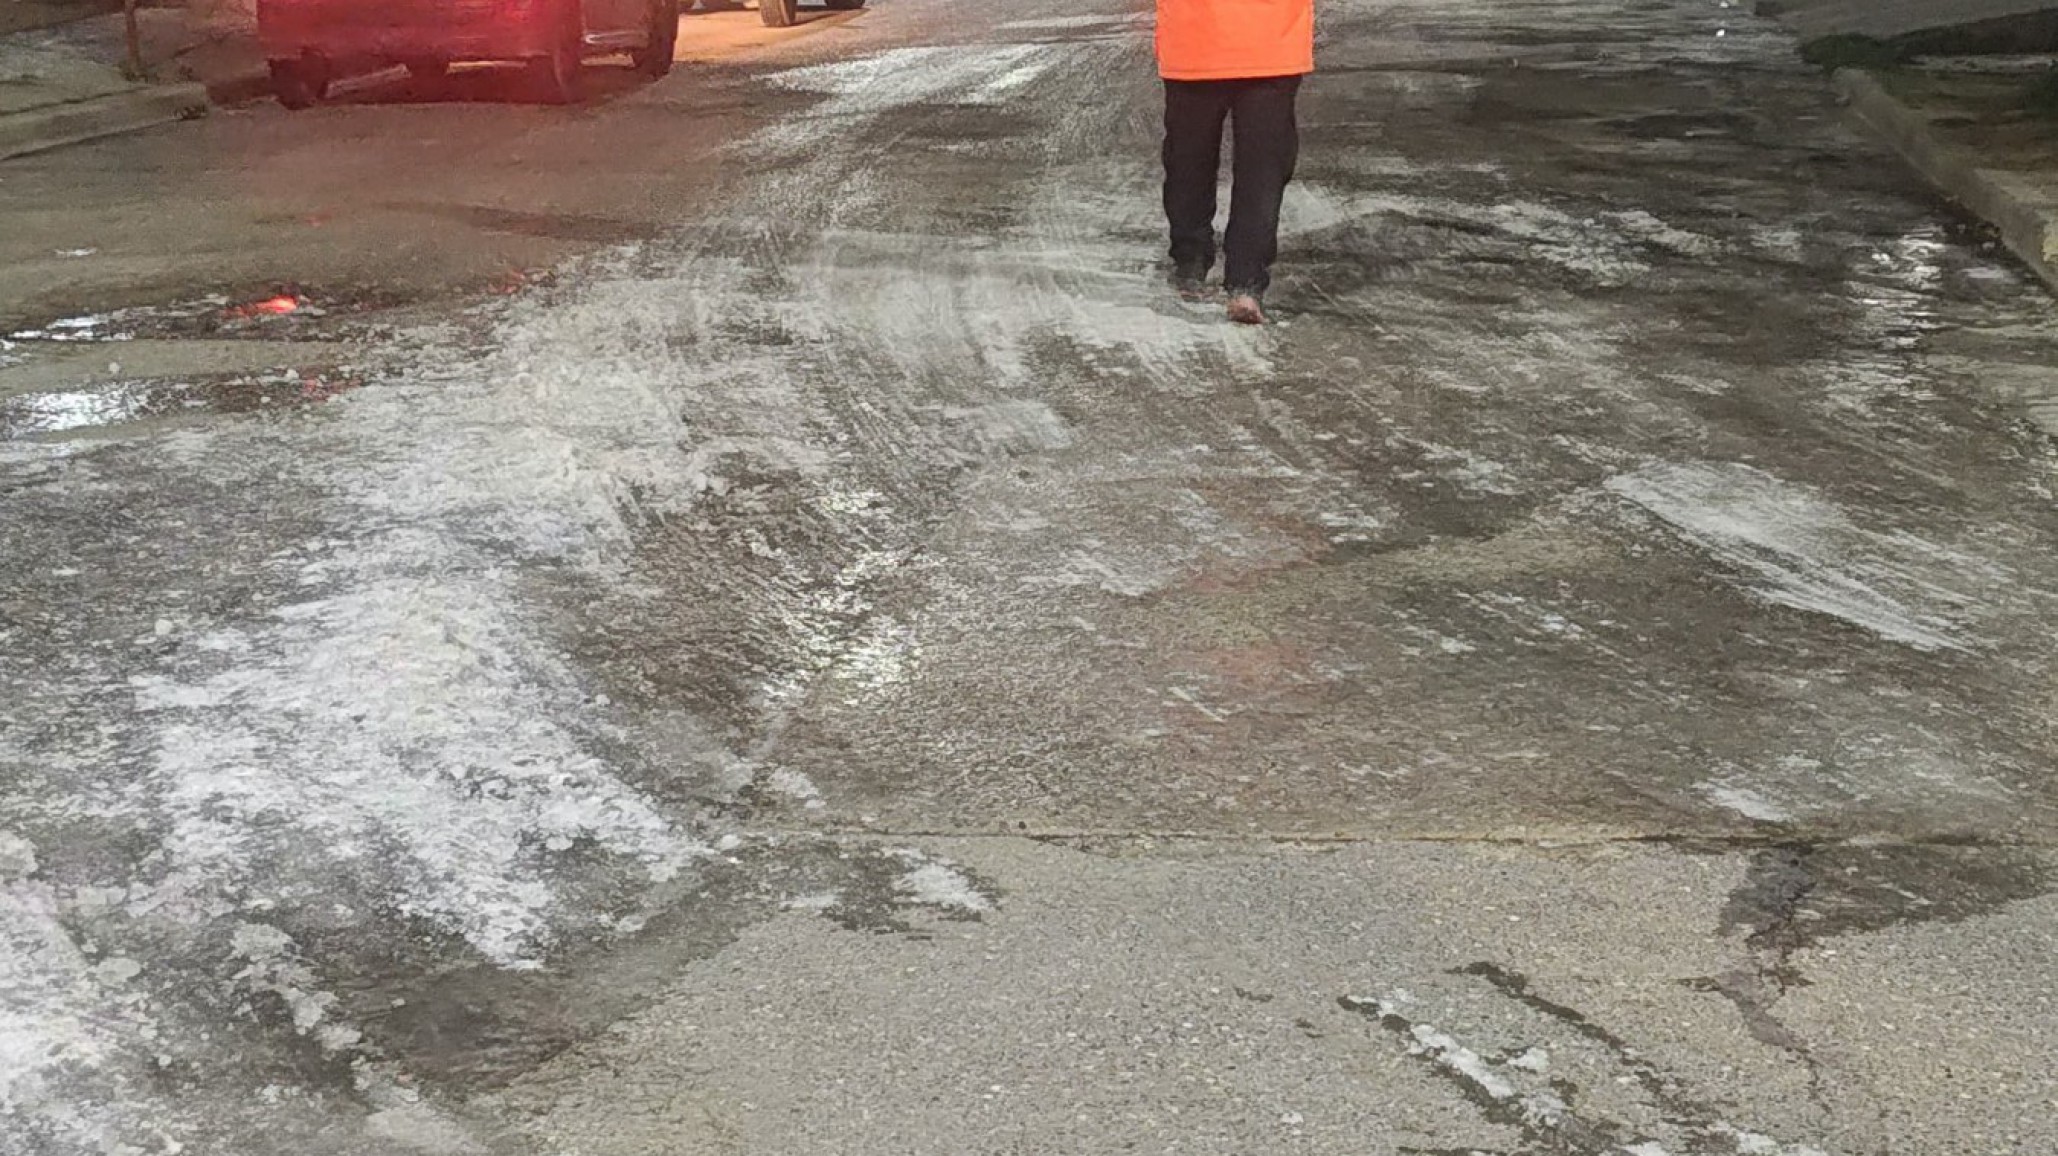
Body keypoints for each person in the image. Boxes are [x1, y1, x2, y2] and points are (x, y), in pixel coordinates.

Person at [1155, 0, 1315, 325]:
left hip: (1211, 41)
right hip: (1249, 42)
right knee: (1257, 170)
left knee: (1200, 162)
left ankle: (1208, 266)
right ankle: (1233, 277)